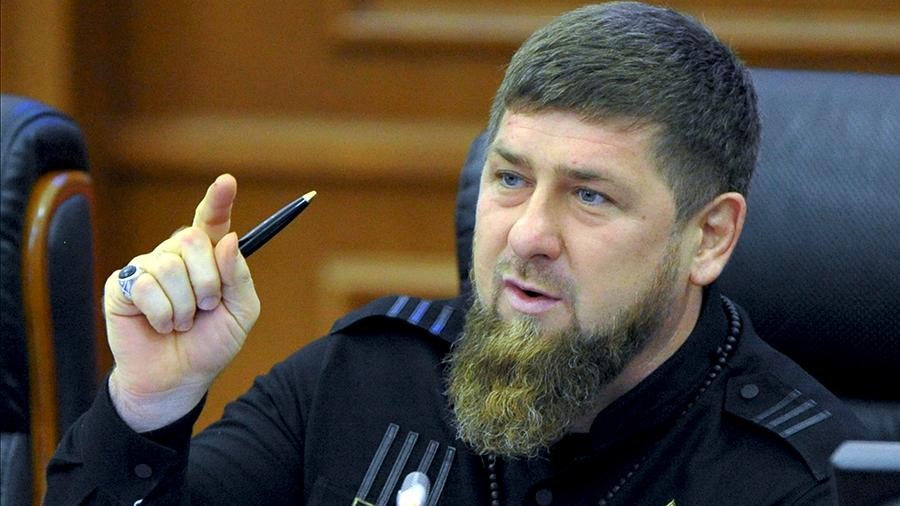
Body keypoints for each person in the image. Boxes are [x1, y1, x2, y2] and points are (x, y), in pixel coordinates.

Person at [47, 2, 869, 505]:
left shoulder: (805, 480)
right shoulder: (362, 379)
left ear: (709, 236)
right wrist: (149, 405)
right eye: (511, 179)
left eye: (590, 196)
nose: (527, 234)